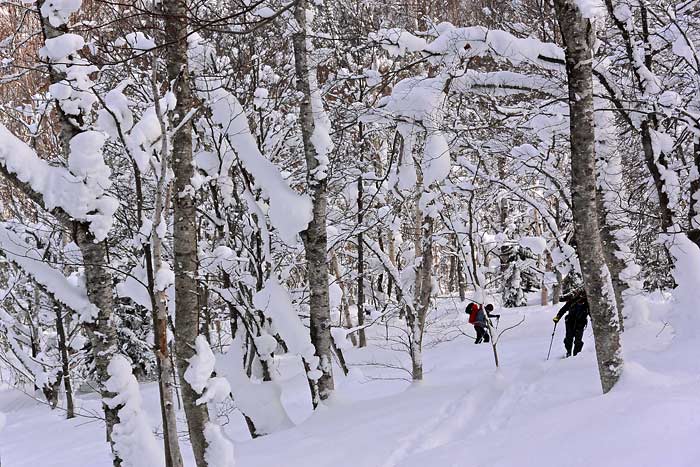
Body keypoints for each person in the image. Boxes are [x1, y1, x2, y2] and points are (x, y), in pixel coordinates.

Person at [553, 289, 589, 357]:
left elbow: (591, 313)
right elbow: (563, 309)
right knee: (568, 339)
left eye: (583, 295)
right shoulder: (572, 301)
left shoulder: (587, 303)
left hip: (580, 324)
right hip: (570, 322)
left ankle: (576, 355)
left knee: (578, 341)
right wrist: (557, 317)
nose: (581, 296)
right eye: (580, 295)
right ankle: (568, 352)